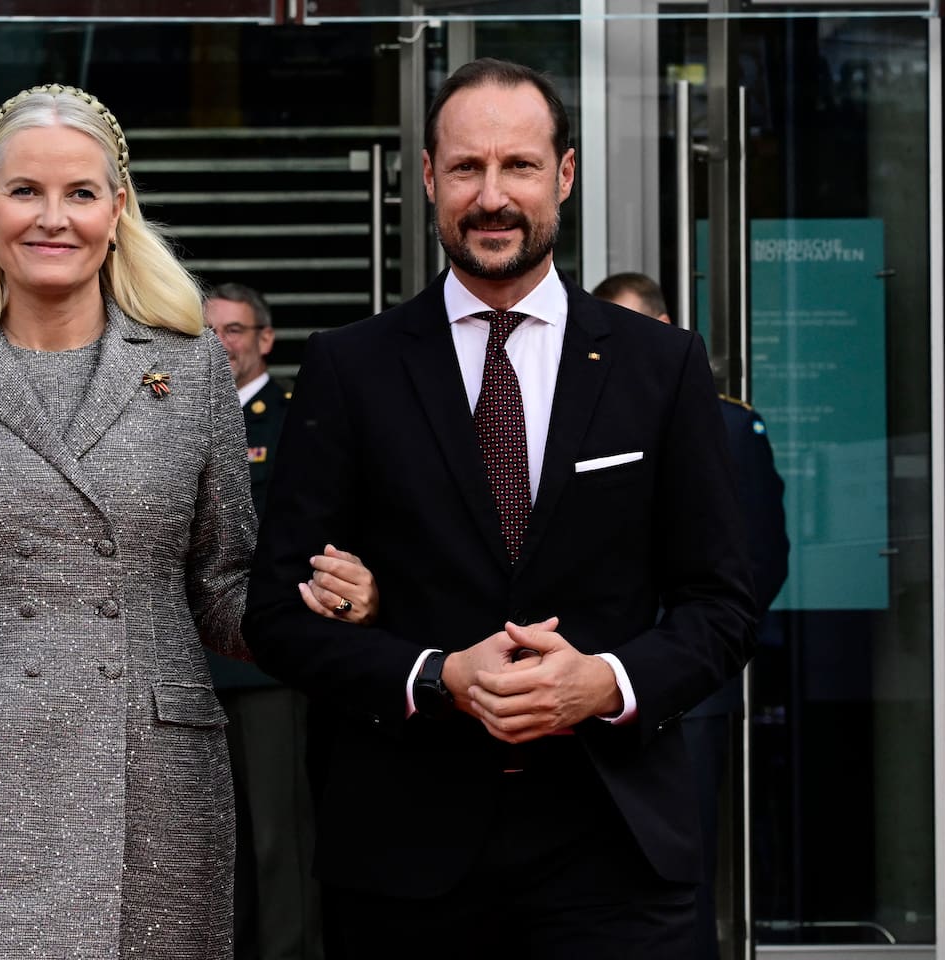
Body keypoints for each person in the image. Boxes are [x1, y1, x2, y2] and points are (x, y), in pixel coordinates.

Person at [0, 84, 376, 960]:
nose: (54, 219)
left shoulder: (192, 366)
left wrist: (322, 607)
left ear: (117, 209)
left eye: (81, 193)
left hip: (155, 778)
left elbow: (222, 587)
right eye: (26, 191)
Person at [243, 58, 757, 957]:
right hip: (406, 857)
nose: (493, 196)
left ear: (562, 174)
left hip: (619, 847)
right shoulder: (348, 368)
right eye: (468, 169)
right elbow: (277, 614)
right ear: (431, 179)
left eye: (518, 166)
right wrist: (434, 674)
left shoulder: (659, 365)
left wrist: (606, 683)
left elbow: (722, 600)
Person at [594, 270, 789, 960]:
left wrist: (682, 653)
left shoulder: (729, 421)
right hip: (584, 690)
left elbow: (758, 563)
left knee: (681, 877)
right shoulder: (582, 420)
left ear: (670, 331)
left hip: (688, 691)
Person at [203, 282, 324, 960]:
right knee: (213, 842)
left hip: (266, 662)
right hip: (190, 663)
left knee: (280, 838)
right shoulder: (175, 416)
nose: (221, 345)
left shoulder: (294, 417)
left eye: (234, 331)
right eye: (209, 331)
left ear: (265, 341)